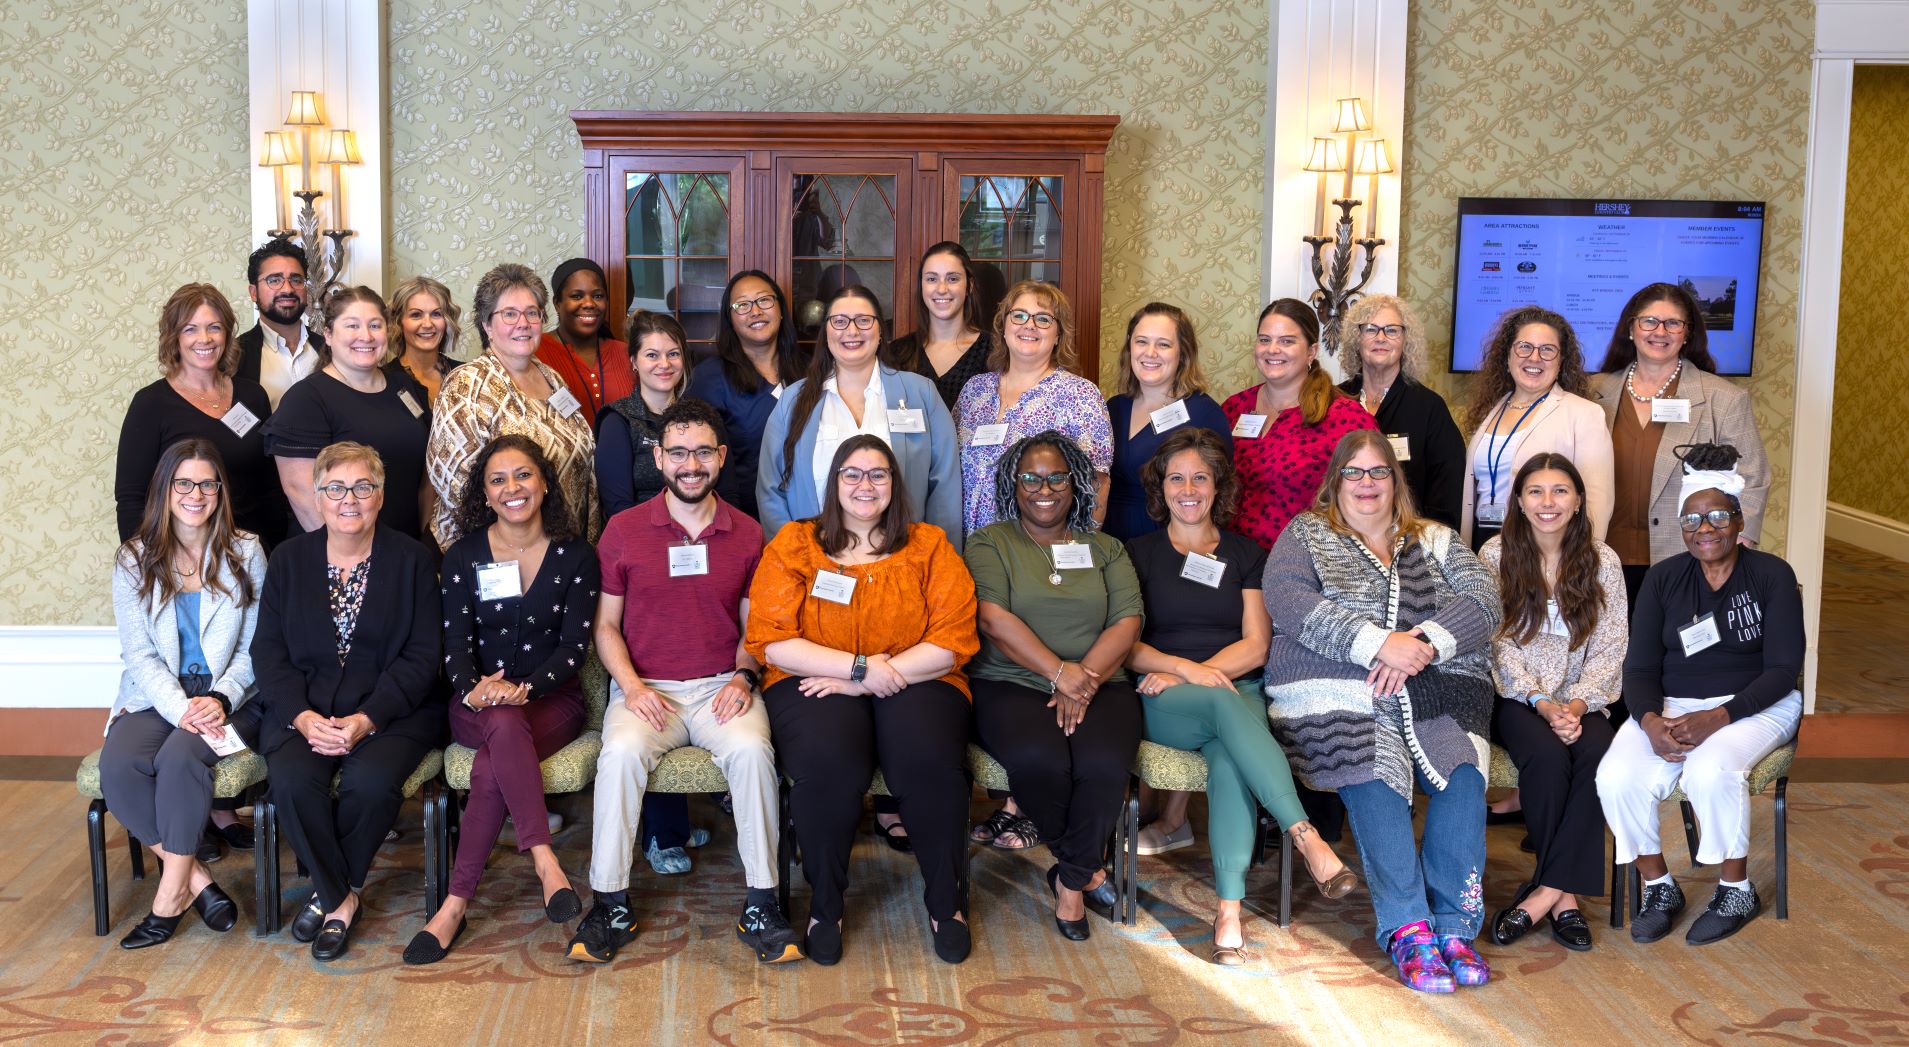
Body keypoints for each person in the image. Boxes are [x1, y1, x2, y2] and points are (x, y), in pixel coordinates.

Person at [1262, 430, 1500, 992]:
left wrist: (1419, 644)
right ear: (1335, 481)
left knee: (1463, 773)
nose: (1366, 484)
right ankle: (1408, 926)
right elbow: (1290, 601)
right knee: (1372, 770)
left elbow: (1485, 600)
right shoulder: (1307, 534)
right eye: (1354, 473)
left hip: (1435, 683)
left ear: (1396, 481)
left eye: (1378, 473)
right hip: (1334, 685)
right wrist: (1376, 644)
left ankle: (1455, 926)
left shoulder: (1437, 539)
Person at [569, 399, 801, 965]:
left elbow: (757, 628)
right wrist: (635, 688)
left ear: (721, 458)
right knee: (619, 754)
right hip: (647, 688)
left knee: (752, 754)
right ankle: (609, 902)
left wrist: (745, 679)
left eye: (702, 452)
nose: (690, 465)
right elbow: (605, 626)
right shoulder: (623, 532)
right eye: (677, 453)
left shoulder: (747, 533)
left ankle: (763, 902)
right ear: (659, 457)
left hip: (724, 684)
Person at [1124, 428, 1357, 964]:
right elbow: (1126, 644)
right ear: (1161, 488)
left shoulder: (1247, 554)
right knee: (1227, 711)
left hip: (1234, 684)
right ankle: (1305, 836)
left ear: (1217, 486)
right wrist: (1183, 671)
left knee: (1230, 758)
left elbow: (1256, 645)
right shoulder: (1135, 553)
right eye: (1176, 477)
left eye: (1200, 477)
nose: (1188, 489)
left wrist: (1202, 671)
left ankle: (1228, 912)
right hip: (1164, 695)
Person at [747, 435, 981, 965]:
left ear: (894, 485)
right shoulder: (796, 543)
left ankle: (947, 904)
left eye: (878, 474)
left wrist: (871, 677)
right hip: (811, 677)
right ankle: (824, 907)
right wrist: (856, 668)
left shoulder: (928, 546)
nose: (864, 485)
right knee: (827, 762)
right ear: (833, 483)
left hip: (919, 677)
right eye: (851, 474)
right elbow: (771, 637)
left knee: (928, 759)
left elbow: (953, 639)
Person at [1597, 444, 1804, 946]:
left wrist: (1718, 717)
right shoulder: (1664, 579)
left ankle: (1735, 889)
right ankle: (1659, 886)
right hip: (1673, 706)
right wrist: (1648, 722)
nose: (1703, 528)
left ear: (1737, 519)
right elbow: (1640, 666)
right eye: (1691, 519)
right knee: (1616, 776)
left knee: (1711, 768)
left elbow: (1783, 670)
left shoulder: (1771, 575)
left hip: (1758, 704)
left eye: (1716, 516)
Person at [405, 435, 597, 965]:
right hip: (475, 705)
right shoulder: (464, 556)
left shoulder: (577, 554)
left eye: (523, 475)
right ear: (484, 494)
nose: (512, 488)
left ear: (544, 482)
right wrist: (476, 688)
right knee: (501, 726)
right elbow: (454, 643)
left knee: (494, 762)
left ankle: (454, 905)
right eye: (498, 480)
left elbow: (574, 647)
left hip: (552, 702)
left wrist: (525, 688)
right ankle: (545, 862)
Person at [249, 442, 443, 961]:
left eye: (363, 487)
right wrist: (303, 716)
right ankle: (342, 897)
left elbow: (424, 656)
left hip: (392, 713)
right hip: (303, 713)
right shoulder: (289, 560)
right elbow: (268, 652)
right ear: (317, 497)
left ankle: (331, 897)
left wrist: (366, 718)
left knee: (372, 782)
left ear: (381, 495)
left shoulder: (413, 560)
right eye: (335, 488)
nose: (349, 499)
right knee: (290, 782)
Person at [966, 431, 1141, 940]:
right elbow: (993, 618)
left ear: (1076, 483)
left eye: (1057, 477)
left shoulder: (1106, 547)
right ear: (1012, 485)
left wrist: (1081, 678)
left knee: (1104, 765)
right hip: (1010, 683)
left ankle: (1067, 883)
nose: (1044, 488)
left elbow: (1128, 622)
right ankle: (1086, 869)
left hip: (1101, 682)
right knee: (1042, 762)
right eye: (1030, 478)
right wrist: (1057, 673)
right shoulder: (989, 542)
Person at [102, 439, 266, 949]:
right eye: (184, 483)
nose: (196, 494)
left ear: (220, 491)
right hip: (159, 694)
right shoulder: (134, 559)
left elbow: (258, 644)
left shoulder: (247, 550)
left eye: (207, 484)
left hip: (233, 696)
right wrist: (180, 708)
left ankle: (168, 899)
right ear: (165, 489)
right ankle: (198, 880)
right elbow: (140, 655)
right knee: (120, 766)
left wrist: (219, 697)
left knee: (179, 760)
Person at [1478, 454, 1626, 953]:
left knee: (1597, 759)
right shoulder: (1495, 555)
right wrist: (1542, 702)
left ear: (1579, 500)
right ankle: (1566, 900)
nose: (1548, 503)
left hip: (1587, 700)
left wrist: (1579, 704)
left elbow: (1611, 646)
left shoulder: (1603, 560)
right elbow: (1496, 642)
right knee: (1544, 758)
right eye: (1536, 492)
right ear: (1518, 500)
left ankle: (1545, 895)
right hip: (1518, 699)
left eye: (1560, 491)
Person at [1590, 282, 1772, 606]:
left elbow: (1753, 477)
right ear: (1631, 328)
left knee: (1674, 652)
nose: (1660, 331)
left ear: (1687, 333)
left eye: (1673, 323)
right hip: (1600, 555)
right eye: (1649, 321)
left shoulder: (1724, 399)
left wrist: (1737, 544)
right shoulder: (1591, 392)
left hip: (1687, 555)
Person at [757, 285, 963, 546]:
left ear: (880, 332)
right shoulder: (793, 400)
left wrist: (935, 559)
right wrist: (794, 556)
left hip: (902, 560)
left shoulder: (921, 394)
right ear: (826, 332)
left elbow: (944, 486)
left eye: (864, 321)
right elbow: (770, 489)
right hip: (816, 563)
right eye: (840, 321)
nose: (852, 331)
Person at [428, 263, 599, 548]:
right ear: (487, 325)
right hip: (500, 555)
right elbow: (457, 486)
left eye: (532, 312)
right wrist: (520, 546)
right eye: (509, 314)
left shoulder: (551, 377)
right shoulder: (467, 385)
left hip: (562, 548)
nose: (523, 323)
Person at [115, 283, 288, 548]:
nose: (204, 339)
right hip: (182, 559)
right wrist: (146, 564)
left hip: (253, 553)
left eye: (214, 327)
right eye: (190, 329)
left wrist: (275, 554)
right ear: (174, 337)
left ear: (227, 334)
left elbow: (270, 487)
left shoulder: (253, 396)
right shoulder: (150, 404)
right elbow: (131, 497)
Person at [266, 286, 434, 540]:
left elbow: (425, 475)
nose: (365, 336)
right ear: (329, 334)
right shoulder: (306, 400)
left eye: (375, 325)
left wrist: (421, 546)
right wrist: (359, 559)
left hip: (407, 549)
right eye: (352, 326)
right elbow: (303, 497)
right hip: (339, 558)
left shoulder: (404, 386)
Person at [953, 281, 1113, 536]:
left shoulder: (1080, 395)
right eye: (1019, 316)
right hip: (965, 550)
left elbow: (1096, 483)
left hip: (1038, 555)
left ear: (1059, 334)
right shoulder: (975, 391)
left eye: (1043, 319)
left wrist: (1076, 552)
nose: (1029, 325)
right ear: (1003, 327)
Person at [1221, 298, 1378, 551]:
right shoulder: (1234, 408)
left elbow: (1373, 499)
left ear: (1311, 351)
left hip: (1304, 566)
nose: (1272, 349)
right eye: (1264, 339)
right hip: (1234, 562)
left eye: (1287, 341)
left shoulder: (1345, 418)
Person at [1460, 305, 1613, 552]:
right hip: (1482, 540)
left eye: (1547, 350)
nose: (1534, 358)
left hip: (1544, 547)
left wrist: (1577, 560)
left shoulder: (1584, 414)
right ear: (1507, 357)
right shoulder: (1491, 411)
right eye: (1524, 347)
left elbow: (1596, 501)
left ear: (1561, 361)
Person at [1104, 303, 1233, 542]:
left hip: (1167, 545)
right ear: (1130, 347)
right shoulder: (1114, 407)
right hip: (1109, 540)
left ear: (1182, 352)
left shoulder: (1204, 415)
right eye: (1142, 341)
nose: (1150, 353)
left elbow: (1218, 498)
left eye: (1163, 344)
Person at [1337, 295, 1465, 530]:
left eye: (1392, 330)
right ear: (1357, 339)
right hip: (1340, 536)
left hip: (1409, 540)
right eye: (1371, 329)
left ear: (1406, 340)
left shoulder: (1429, 407)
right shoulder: (1334, 401)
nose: (1381, 338)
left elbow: (1447, 491)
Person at [688, 271, 806, 518]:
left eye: (764, 300)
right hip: (742, 518)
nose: (755, 311)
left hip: (811, 513)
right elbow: (703, 461)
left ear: (781, 309)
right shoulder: (709, 378)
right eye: (742, 305)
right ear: (729, 319)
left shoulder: (811, 371)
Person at [595, 310, 690, 519]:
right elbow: (619, 511)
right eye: (652, 355)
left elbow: (726, 496)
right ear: (634, 362)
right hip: (641, 542)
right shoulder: (617, 421)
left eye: (673, 353)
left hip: (703, 540)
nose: (664, 364)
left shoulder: (702, 418)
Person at [882, 241, 994, 408]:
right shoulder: (897, 352)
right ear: (922, 285)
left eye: (953, 278)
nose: (941, 289)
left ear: (969, 286)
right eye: (932, 279)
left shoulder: (994, 351)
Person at [537, 258, 632, 422]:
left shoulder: (626, 354)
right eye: (576, 296)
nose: (589, 303)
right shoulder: (536, 353)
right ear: (557, 303)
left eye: (598, 295)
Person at [235, 238, 325, 407]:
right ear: (253, 293)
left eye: (296, 280)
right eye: (274, 280)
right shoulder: (235, 356)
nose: (288, 289)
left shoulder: (329, 348)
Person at [385, 275, 462, 405]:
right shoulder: (384, 380)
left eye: (436, 314)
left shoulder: (466, 374)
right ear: (398, 322)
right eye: (416, 315)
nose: (427, 324)